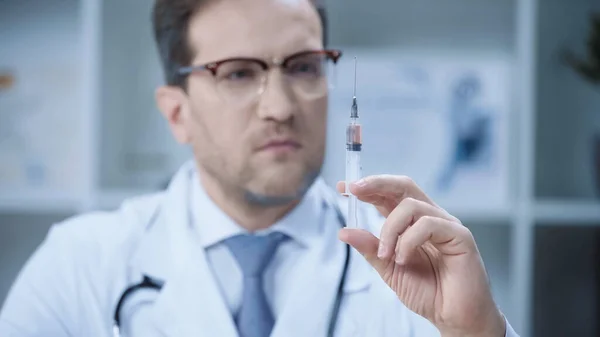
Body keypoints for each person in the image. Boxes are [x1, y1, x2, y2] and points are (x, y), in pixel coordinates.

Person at [0, 0, 520, 336]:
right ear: (176, 113)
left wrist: (477, 332)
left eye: (303, 67)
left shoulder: (416, 273)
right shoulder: (78, 266)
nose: (280, 106)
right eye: (238, 73)